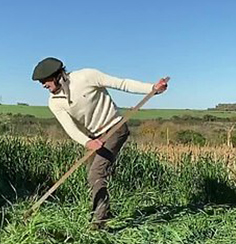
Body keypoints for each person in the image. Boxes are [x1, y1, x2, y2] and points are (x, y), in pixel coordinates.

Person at [32, 57, 168, 230]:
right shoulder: (54, 102)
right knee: (93, 174)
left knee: (95, 175)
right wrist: (87, 142)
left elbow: (122, 84)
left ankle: (99, 222)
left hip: (115, 128)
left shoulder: (87, 76)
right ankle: (103, 210)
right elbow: (70, 128)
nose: (43, 85)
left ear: (58, 75)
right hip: (95, 137)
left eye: (45, 81)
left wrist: (152, 88)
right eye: (41, 83)